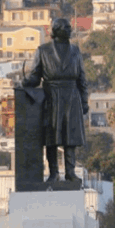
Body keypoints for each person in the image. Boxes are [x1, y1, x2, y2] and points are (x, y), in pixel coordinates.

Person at [21, 18, 89, 183]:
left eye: (69, 27)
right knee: (52, 137)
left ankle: (70, 172)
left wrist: (84, 100)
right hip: (51, 95)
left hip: (72, 96)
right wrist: (27, 81)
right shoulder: (43, 50)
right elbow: (36, 76)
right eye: (65, 27)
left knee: (70, 137)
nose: (69, 29)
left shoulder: (75, 51)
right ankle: (54, 173)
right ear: (56, 30)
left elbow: (82, 78)